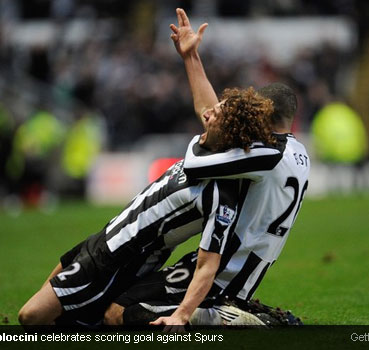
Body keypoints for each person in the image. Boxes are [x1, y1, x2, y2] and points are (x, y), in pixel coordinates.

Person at [104, 8, 310, 331]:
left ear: (266, 113)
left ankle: (223, 317)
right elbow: (211, 117)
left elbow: (197, 161)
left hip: (222, 270)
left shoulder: (265, 154)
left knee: (117, 313)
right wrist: (192, 59)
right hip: (245, 269)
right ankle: (241, 309)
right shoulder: (297, 152)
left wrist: (198, 140)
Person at [18, 87, 276, 326]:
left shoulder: (222, 191)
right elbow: (205, 105)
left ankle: (216, 319)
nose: (207, 113)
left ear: (229, 128)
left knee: (30, 317)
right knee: (61, 319)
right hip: (105, 236)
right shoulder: (204, 151)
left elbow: (209, 263)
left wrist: (182, 314)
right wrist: (190, 56)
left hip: (120, 257)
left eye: (216, 113)